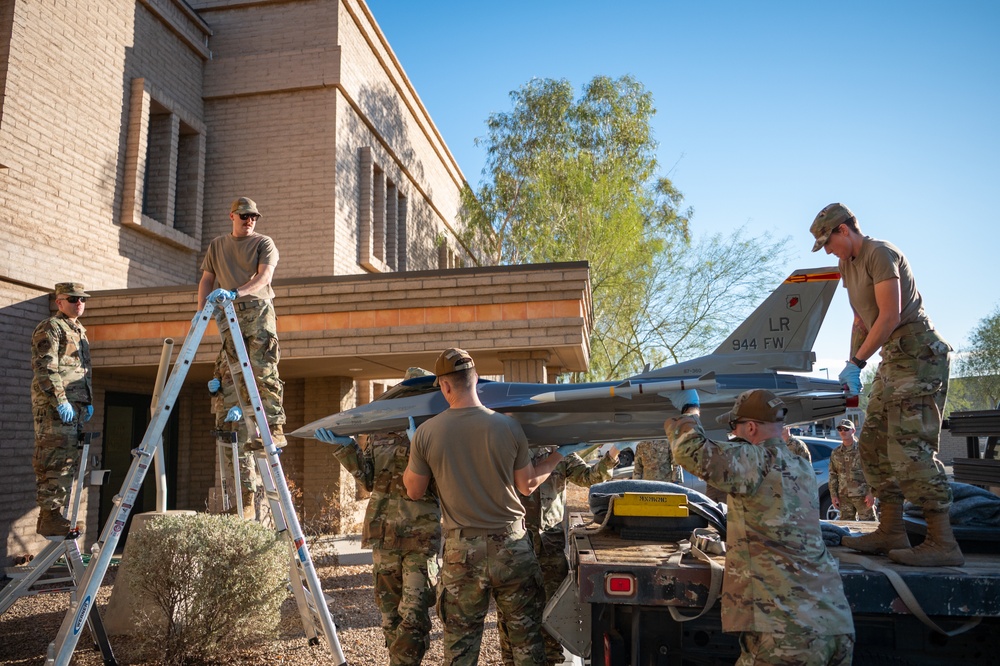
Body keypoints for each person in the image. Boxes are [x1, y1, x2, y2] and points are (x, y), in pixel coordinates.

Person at [810, 202, 961, 566]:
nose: (828, 250)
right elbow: (861, 320)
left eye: (828, 242)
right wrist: (851, 367)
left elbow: (889, 315)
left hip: (919, 354)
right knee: (873, 445)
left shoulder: (880, 253)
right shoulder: (847, 264)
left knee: (909, 449)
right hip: (892, 360)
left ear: (844, 230)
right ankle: (891, 529)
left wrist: (858, 361)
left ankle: (943, 542)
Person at [403, 348, 571, 665]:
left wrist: (416, 446)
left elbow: (414, 491)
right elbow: (528, 485)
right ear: (476, 380)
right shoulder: (508, 427)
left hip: (461, 553)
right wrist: (561, 453)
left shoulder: (426, 434)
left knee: (460, 649)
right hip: (512, 548)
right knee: (526, 646)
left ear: (444, 386)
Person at [664, 388, 855, 666]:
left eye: (735, 427)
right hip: (834, 623)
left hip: (786, 631)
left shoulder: (756, 461)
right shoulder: (800, 465)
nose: (733, 435)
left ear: (750, 427)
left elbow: (689, 450)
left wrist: (690, 410)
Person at [315, 367, 442, 666]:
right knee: (389, 616)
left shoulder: (437, 431)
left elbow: (443, 483)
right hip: (383, 535)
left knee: (414, 614)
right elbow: (368, 480)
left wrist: (420, 445)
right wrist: (346, 448)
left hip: (419, 537)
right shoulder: (380, 429)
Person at [498, 444, 620, 666]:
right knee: (511, 608)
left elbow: (589, 477)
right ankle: (510, 660)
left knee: (551, 610)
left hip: (548, 544)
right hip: (513, 543)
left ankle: (551, 659)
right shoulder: (509, 446)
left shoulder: (561, 452)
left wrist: (612, 454)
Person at [198, 196, 286, 448]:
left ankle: (274, 430)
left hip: (257, 311)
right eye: (244, 215)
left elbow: (264, 276)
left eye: (253, 217)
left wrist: (235, 292)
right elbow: (207, 279)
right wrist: (200, 312)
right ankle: (245, 429)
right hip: (228, 315)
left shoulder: (263, 242)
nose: (249, 220)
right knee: (232, 371)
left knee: (262, 370)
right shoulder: (217, 245)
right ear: (232, 216)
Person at [31, 282, 94, 537]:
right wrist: (60, 400)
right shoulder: (50, 327)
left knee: (68, 462)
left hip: (74, 407)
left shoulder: (79, 330)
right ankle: (49, 516)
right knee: (53, 460)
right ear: (59, 302)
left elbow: (83, 370)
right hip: (55, 408)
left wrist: (87, 401)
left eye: (82, 299)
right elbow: (46, 368)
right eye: (73, 299)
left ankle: (55, 515)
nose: (79, 303)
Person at [208, 350, 259, 520]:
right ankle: (240, 501)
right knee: (230, 455)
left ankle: (248, 503)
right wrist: (214, 386)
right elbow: (219, 374)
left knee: (243, 453)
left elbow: (259, 380)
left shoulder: (248, 346)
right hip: (224, 409)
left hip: (242, 410)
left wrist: (244, 405)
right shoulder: (223, 351)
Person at [829, 419, 875, 521]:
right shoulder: (836, 452)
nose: (842, 431)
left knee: (869, 526)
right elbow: (833, 474)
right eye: (840, 429)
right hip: (844, 497)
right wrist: (834, 495)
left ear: (853, 431)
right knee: (847, 527)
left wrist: (872, 493)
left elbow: (873, 471)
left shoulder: (863, 449)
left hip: (863, 496)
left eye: (846, 429)